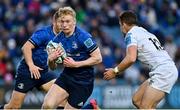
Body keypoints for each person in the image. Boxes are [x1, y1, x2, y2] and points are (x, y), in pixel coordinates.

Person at [103, 11, 178, 109]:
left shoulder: (130, 34)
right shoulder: (143, 31)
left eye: (120, 25)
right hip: (163, 69)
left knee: (145, 106)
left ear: (124, 24)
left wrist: (115, 71)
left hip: (163, 71)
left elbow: (131, 58)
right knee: (137, 100)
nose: (120, 29)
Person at [1, 11, 65, 109]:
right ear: (54, 21)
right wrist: (31, 65)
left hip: (43, 72)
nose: (63, 25)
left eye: (64, 22)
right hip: (27, 71)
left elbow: (53, 62)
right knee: (13, 107)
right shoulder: (43, 33)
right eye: (60, 22)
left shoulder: (62, 37)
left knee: (62, 93)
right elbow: (25, 48)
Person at [42, 6, 102, 109]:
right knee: (47, 106)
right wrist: (50, 59)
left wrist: (76, 64)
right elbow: (53, 67)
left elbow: (98, 58)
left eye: (68, 21)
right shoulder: (57, 39)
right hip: (66, 76)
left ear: (74, 22)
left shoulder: (84, 37)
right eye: (62, 21)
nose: (64, 25)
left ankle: (91, 107)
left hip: (83, 82)